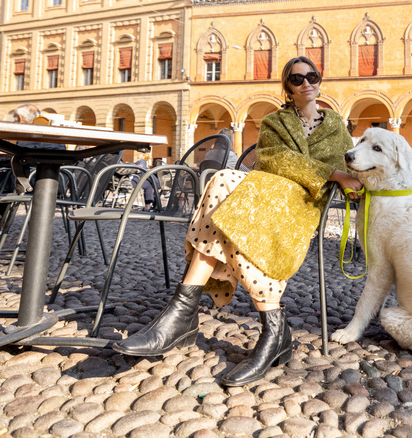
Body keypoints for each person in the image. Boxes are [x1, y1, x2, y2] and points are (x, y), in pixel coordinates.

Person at [114, 56, 362, 387]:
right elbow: (274, 159)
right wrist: (330, 172)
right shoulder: (275, 121)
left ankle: (182, 316)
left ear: (320, 80)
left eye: (312, 76)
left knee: (230, 201)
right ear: (287, 88)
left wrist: (348, 180)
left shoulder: (337, 128)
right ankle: (270, 330)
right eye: (297, 79)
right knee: (221, 182)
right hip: (264, 193)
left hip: (301, 206)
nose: (306, 83)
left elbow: (349, 170)